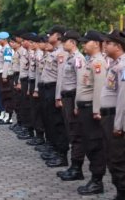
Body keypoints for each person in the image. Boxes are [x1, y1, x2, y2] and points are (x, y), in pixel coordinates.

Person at [75, 30, 107, 195]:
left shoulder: (98, 62)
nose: (83, 44)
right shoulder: (90, 61)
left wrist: (96, 110)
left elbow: (99, 88)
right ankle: (94, 179)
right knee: (88, 143)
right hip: (84, 108)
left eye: (86, 42)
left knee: (95, 145)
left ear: (95, 43)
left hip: (91, 110)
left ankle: (97, 181)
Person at [56, 30, 86, 181]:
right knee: (71, 132)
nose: (63, 43)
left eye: (65, 40)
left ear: (73, 43)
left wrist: (76, 104)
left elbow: (81, 83)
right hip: (67, 97)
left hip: (73, 97)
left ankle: (77, 168)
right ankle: (73, 166)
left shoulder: (78, 59)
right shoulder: (70, 58)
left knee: (76, 134)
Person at [40, 25, 69, 168]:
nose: (48, 36)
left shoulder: (62, 53)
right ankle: (55, 149)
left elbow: (61, 77)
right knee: (50, 121)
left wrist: (58, 97)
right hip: (47, 89)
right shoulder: (55, 52)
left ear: (57, 36)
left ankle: (62, 154)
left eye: (50, 34)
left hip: (54, 89)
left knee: (57, 123)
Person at [101, 29, 125, 200]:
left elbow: (123, 98)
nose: (105, 45)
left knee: (117, 159)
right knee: (112, 156)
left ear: (117, 46)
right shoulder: (114, 64)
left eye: (108, 43)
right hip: (108, 116)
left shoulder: (123, 66)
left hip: (116, 118)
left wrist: (118, 125)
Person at [0, 31, 14, 125]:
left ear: (4, 39)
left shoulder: (7, 49)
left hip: (5, 75)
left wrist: (4, 75)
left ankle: (9, 116)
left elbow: (7, 62)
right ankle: (6, 114)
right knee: (3, 95)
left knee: (7, 95)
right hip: (1, 73)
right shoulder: (3, 48)